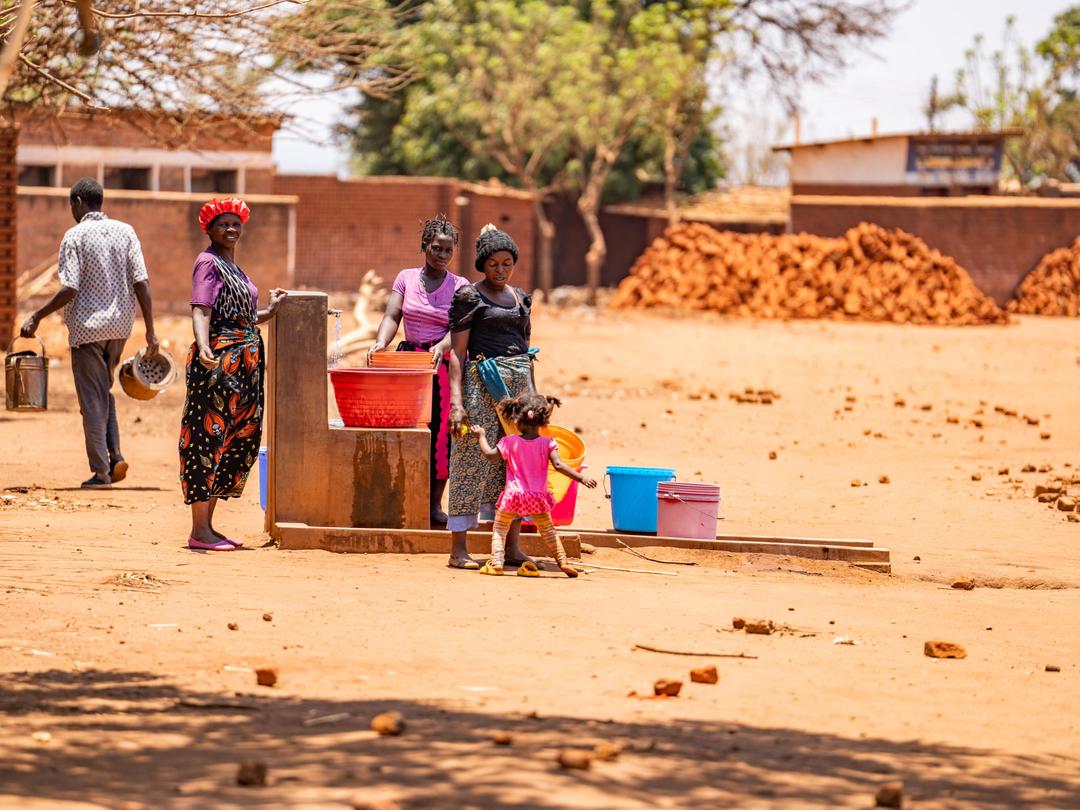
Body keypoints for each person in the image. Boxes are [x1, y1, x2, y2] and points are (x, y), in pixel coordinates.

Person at [19, 177, 158, 489]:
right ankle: (115, 454)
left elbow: (70, 287)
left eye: (72, 205)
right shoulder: (126, 231)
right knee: (103, 392)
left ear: (78, 203)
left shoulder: (75, 236)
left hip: (87, 329)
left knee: (92, 401)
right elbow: (142, 283)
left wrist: (37, 315)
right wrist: (150, 330)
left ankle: (101, 473)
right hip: (121, 327)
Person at [179, 197, 287, 551]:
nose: (231, 229)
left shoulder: (234, 267)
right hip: (219, 365)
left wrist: (270, 309)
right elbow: (201, 310)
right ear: (208, 229)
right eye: (223, 224)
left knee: (235, 440)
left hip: (247, 367)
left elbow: (245, 315)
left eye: (236, 224)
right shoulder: (207, 263)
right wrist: (203, 344)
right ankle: (199, 531)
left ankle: (208, 528)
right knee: (207, 437)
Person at [446, 224, 536, 569]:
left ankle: (512, 547)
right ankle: (459, 549)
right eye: (494, 264)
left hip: (519, 389)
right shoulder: (470, 297)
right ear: (482, 265)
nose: (501, 270)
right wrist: (457, 404)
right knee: (470, 458)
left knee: (516, 462)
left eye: (507, 263)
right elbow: (458, 353)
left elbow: (526, 350)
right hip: (481, 385)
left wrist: (533, 398)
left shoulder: (521, 298)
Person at [368, 216, 468, 525]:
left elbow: (459, 329)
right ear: (424, 246)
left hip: (440, 365)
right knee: (406, 428)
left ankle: (433, 504)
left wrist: (441, 347)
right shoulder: (406, 278)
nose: (441, 255)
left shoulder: (460, 286)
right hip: (408, 362)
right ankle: (401, 496)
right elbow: (392, 314)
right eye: (436, 248)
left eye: (447, 250)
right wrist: (380, 342)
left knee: (441, 434)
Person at [471, 393, 596, 577]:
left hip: (513, 496)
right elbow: (559, 465)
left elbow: (490, 454)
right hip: (537, 497)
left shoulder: (509, 441)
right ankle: (563, 562)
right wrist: (581, 478)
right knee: (548, 531)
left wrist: (480, 436)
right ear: (543, 421)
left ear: (516, 419)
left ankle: (497, 562)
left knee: (500, 528)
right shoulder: (548, 443)